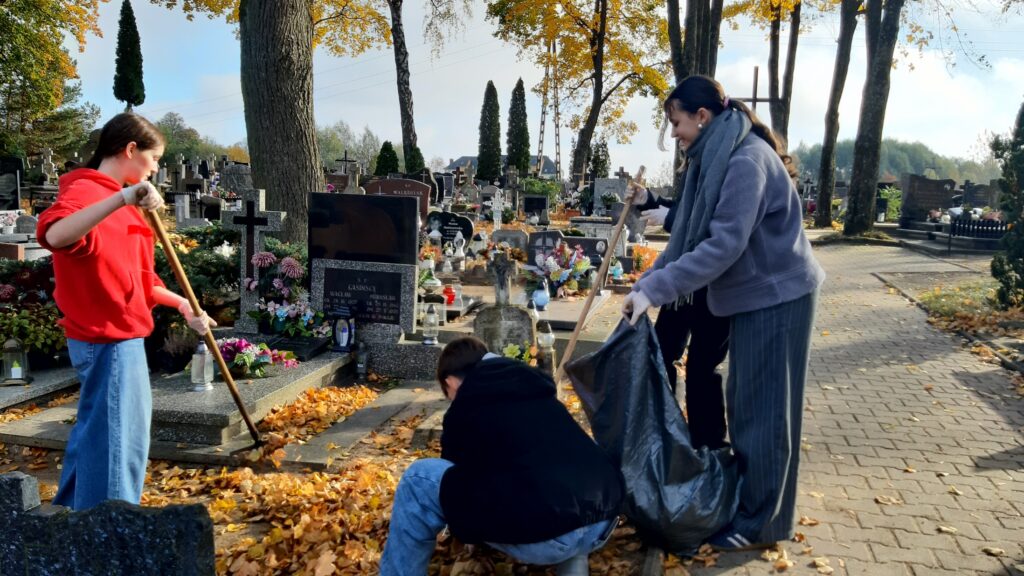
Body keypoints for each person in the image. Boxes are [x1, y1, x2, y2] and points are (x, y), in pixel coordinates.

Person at [621, 75, 825, 550]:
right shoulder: (713, 158)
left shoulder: (745, 161)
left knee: (765, 411)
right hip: (756, 296)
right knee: (750, 404)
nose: (674, 133)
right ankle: (758, 510)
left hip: (779, 296)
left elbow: (723, 245)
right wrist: (649, 284)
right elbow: (687, 235)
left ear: (702, 116)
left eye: (676, 122)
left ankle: (762, 523)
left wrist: (657, 288)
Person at [37, 112, 216, 511]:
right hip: (108, 340)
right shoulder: (89, 193)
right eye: (154, 158)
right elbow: (55, 235)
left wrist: (183, 303)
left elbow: (138, 281)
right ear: (131, 149)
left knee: (97, 438)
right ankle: (110, 538)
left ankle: (71, 522)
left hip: (120, 336)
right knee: (118, 446)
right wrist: (121, 198)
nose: (156, 169)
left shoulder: (123, 199)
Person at [379, 337, 624, 575]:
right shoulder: (537, 389)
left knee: (418, 478)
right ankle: (573, 563)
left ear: (451, 381)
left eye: (447, 392)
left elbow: (453, 483)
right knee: (554, 480)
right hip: (604, 519)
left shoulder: (465, 407)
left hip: (550, 537)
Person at [627, 172, 731, 451]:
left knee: (701, 369)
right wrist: (650, 200)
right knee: (660, 354)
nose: (674, 135)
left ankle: (708, 449)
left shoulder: (730, 157)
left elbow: (715, 230)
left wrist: (670, 218)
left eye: (676, 125)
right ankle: (663, 433)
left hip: (715, 285)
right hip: (683, 288)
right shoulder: (702, 157)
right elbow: (691, 208)